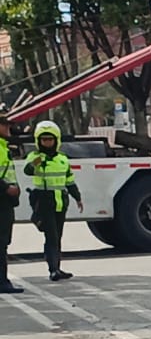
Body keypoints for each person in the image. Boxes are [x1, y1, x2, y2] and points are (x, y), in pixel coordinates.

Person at [23, 120, 83, 282]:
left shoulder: (62, 159)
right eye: (44, 140)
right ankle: (53, 269)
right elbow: (27, 170)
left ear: (56, 140)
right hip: (43, 200)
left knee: (58, 235)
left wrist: (77, 197)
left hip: (60, 201)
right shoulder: (34, 156)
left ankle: (57, 267)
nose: (47, 142)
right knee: (51, 236)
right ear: (38, 141)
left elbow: (69, 181)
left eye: (50, 139)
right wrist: (37, 161)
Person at [0, 111, 23, 294]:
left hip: (5, 202)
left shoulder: (3, 146)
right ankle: (2, 281)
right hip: (1, 201)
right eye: (4, 124)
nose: (9, 127)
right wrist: (6, 188)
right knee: (1, 243)